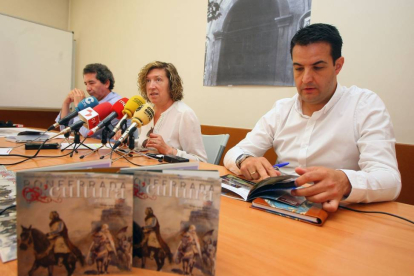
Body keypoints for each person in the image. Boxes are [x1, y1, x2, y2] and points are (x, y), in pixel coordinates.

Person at [224, 23, 401, 212]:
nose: (306, 78)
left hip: (336, 214)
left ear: (338, 65)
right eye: (299, 68)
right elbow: (234, 153)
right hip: (277, 206)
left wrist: (345, 181)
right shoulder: (282, 109)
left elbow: (389, 179)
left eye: (317, 67)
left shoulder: (364, 105)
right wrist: (246, 160)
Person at [135, 61, 207, 162]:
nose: (151, 86)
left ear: (171, 85)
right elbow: (143, 146)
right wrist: (127, 142)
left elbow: (201, 161)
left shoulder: (184, 114)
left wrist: (169, 151)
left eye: (158, 80)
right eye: (148, 81)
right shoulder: (145, 111)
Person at [55, 63, 123, 139]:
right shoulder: (92, 102)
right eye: (86, 84)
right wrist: (66, 103)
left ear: (106, 83)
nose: (88, 88)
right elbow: (65, 130)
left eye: (91, 83)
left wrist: (78, 107)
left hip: (111, 149)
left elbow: (86, 132)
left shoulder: (114, 105)